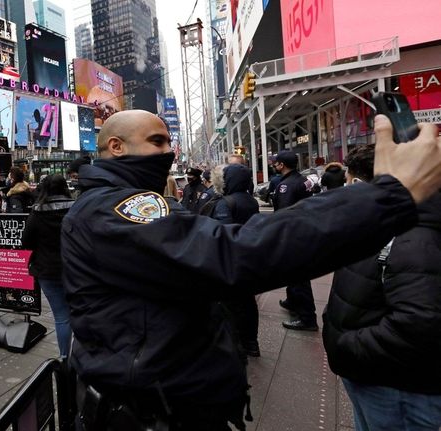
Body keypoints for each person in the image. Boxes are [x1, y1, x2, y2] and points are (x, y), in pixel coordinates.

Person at [61, 109, 441, 430]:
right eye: (157, 142)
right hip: (149, 412)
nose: (169, 153)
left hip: (176, 400)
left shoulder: (139, 200)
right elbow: (234, 253)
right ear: (116, 146)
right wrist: (387, 196)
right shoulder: (110, 209)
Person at [323, 143, 441, 431]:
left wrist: (349, 344)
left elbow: (421, 321)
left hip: (394, 386)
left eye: (352, 179)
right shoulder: (382, 223)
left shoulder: (414, 236)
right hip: (373, 375)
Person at [210, 164, 261, 357]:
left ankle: (236, 344)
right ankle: (251, 342)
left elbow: (224, 234)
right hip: (249, 258)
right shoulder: (251, 200)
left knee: (231, 306)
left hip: (231, 261)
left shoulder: (225, 202)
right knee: (248, 303)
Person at [21, 175, 75, 358]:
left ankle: (64, 359)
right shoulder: (76, 208)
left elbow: (26, 242)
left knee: (61, 317)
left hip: (47, 271)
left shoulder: (37, 212)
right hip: (75, 269)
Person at [271, 150, 318, 331]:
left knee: (298, 277)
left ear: (282, 165)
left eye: (276, 163)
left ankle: (307, 318)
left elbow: (284, 214)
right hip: (302, 231)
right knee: (292, 274)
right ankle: (292, 301)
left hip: (293, 235)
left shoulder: (287, 186)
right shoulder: (301, 180)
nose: (274, 165)